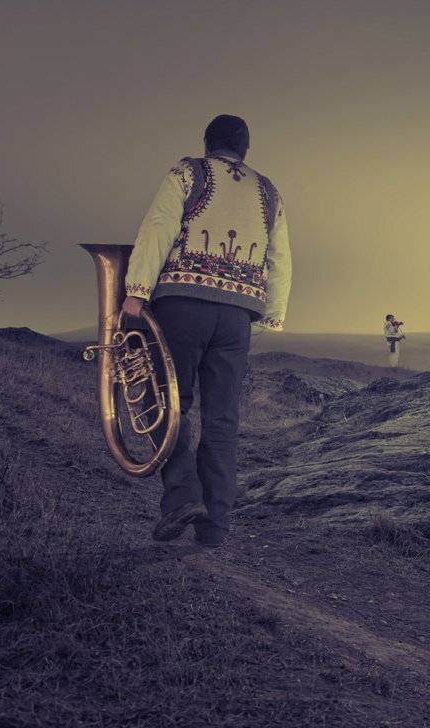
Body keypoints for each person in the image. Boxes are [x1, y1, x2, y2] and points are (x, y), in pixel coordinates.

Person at [121, 114, 292, 547]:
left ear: (207, 142)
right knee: (222, 417)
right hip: (237, 317)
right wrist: (271, 315)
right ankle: (214, 525)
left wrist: (136, 290)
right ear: (245, 148)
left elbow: (158, 229)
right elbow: (280, 258)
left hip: (182, 304)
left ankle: (181, 496)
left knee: (166, 399)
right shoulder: (268, 190)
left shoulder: (188, 171)